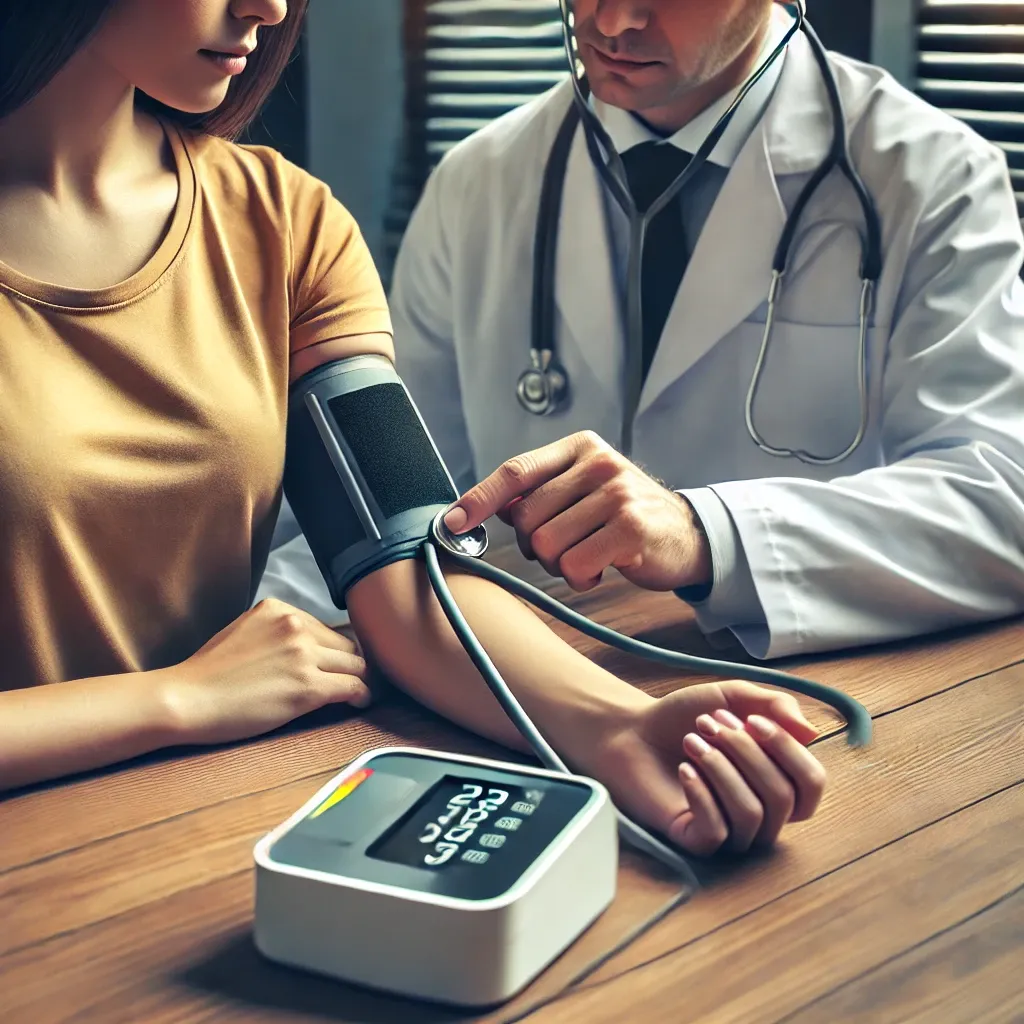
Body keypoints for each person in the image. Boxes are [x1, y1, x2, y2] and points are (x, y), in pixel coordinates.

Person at [0, 0, 829, 860]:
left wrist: (619, 725)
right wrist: (174, 700)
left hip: (186, 821)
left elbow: (402, 557)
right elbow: (198, 694)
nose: (269, 8)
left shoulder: (284, 223)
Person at [360, 0, 1024, 662]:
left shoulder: (934, 181)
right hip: (521, 670)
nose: (613, 21)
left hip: (809, 683)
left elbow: (1002, 505)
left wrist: (706, 534)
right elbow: (394, 505)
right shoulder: (475, 182)